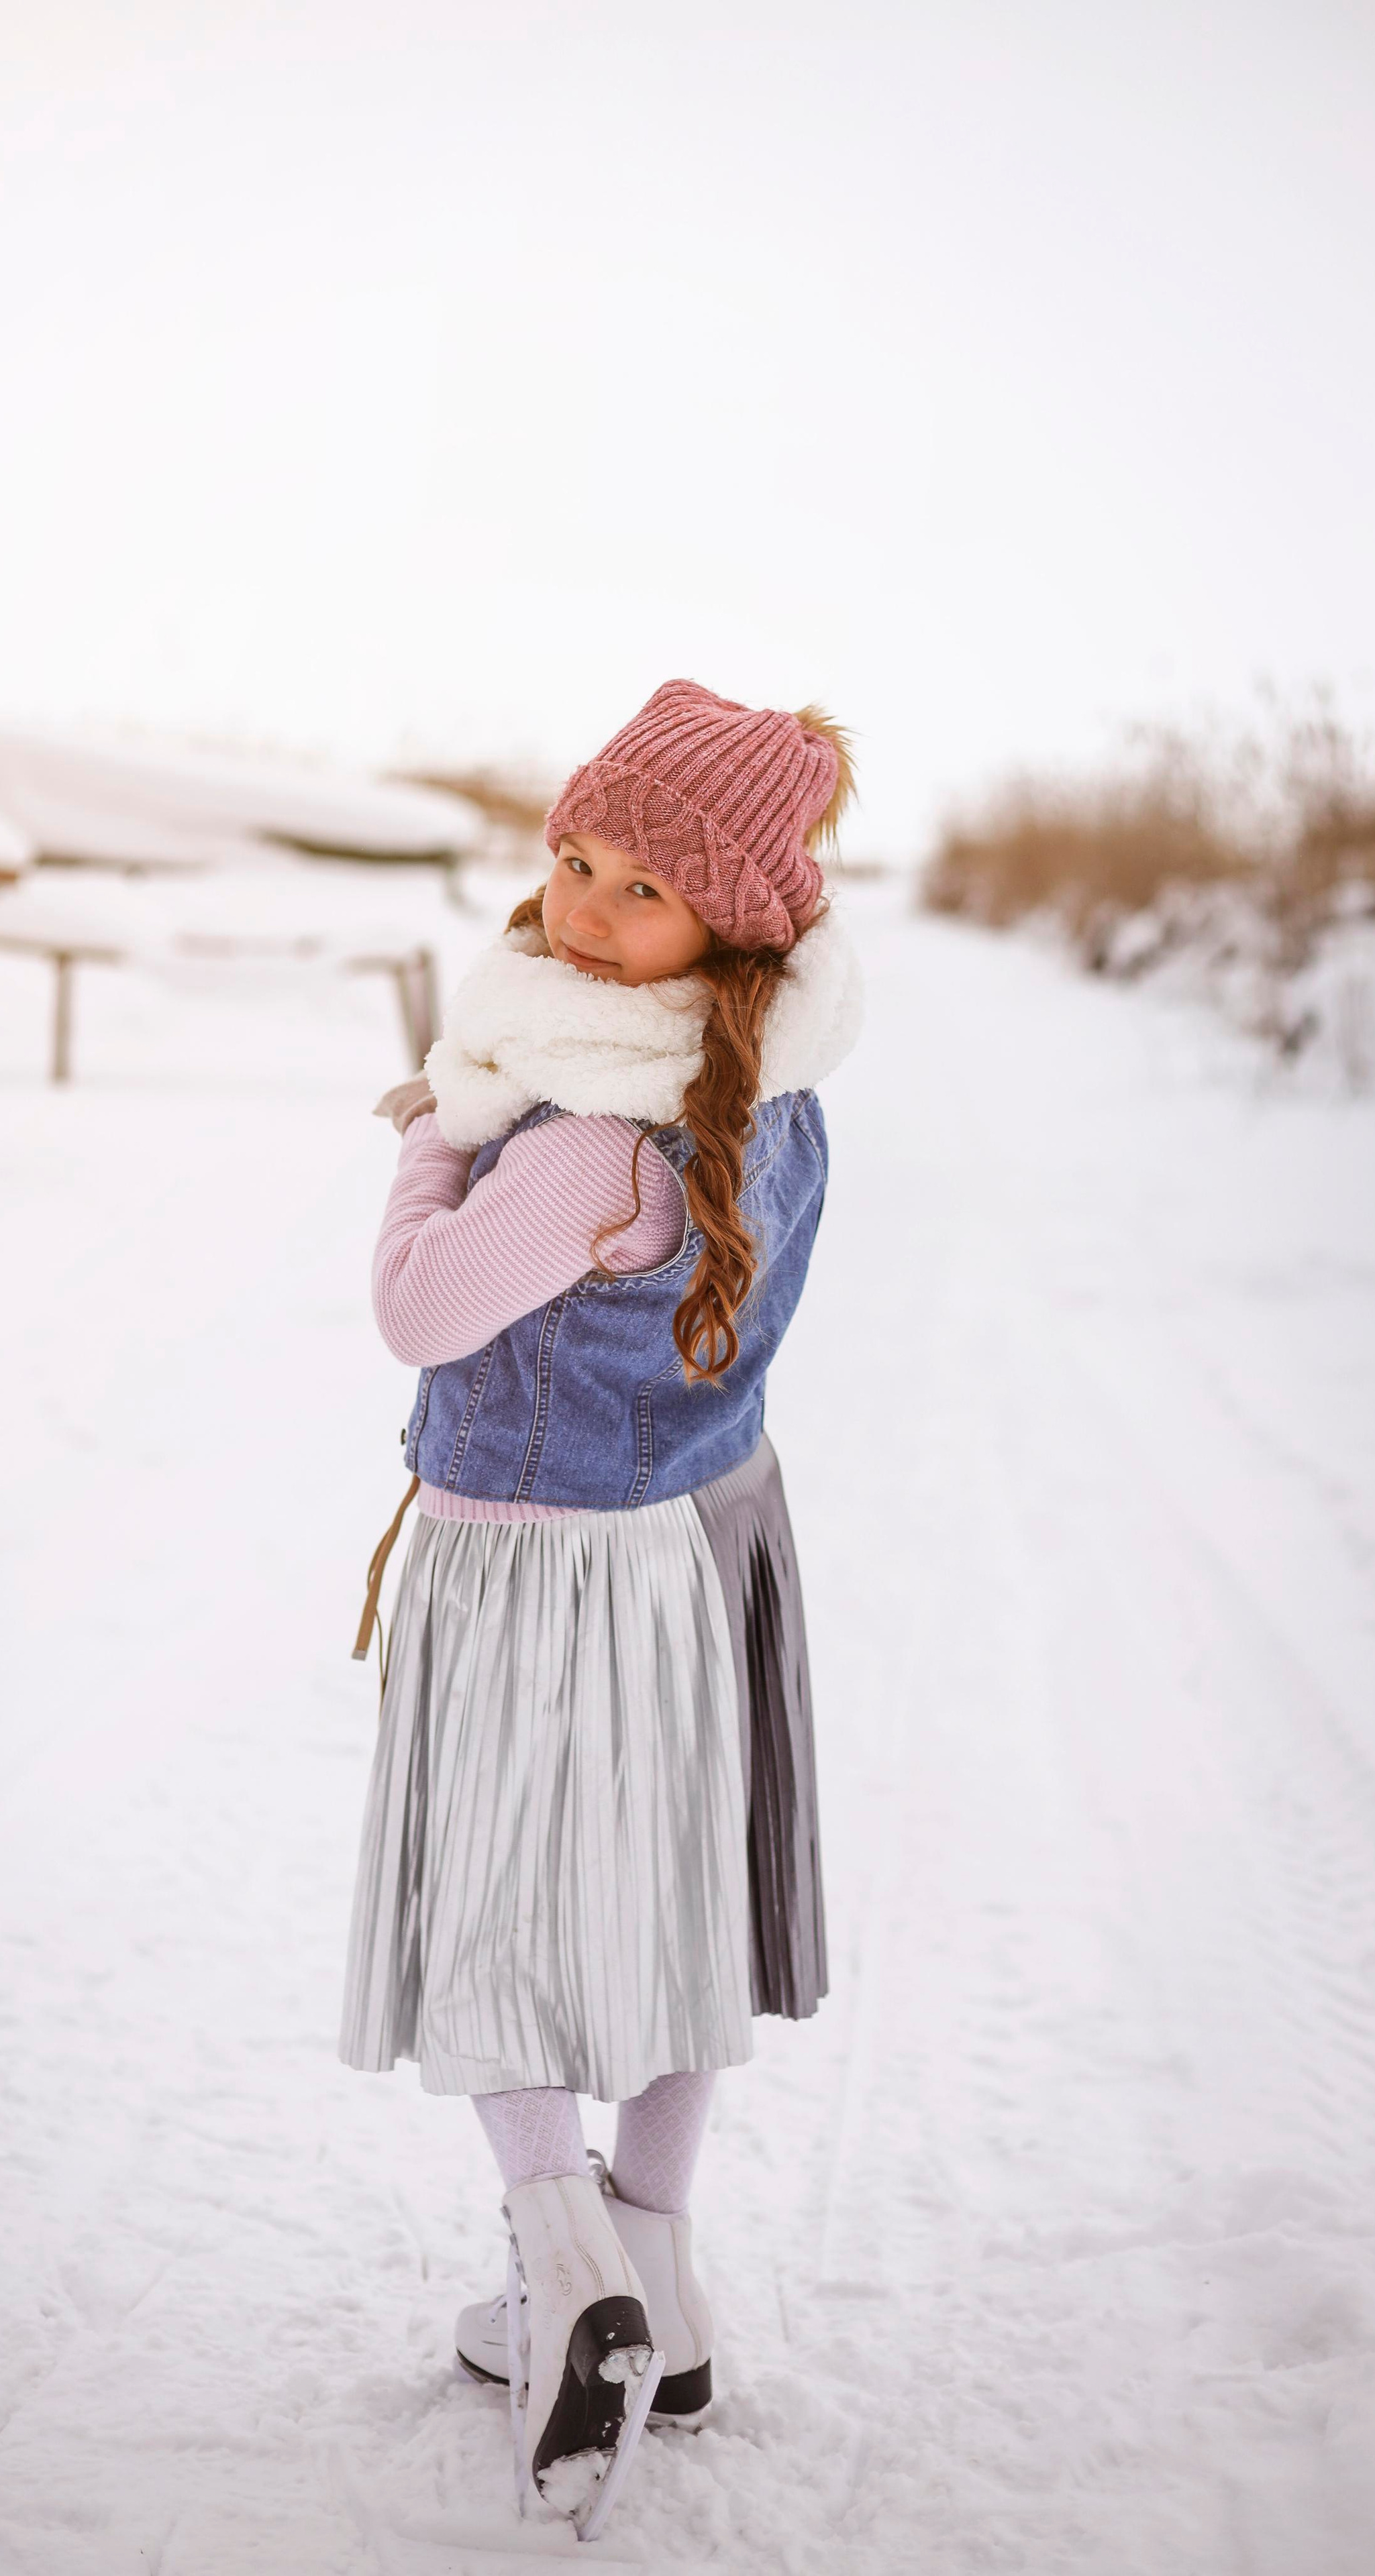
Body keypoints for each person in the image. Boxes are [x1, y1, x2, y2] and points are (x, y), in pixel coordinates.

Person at [340, 678, 862, 2537]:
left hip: (546, 1564)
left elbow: (419, 1310)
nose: (582, 909)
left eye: (645, 889)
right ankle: (664, 2286)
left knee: (505, 1912)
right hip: (700, 1539)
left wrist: (436, 1125)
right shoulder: (776, 1093)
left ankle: (570, 2281)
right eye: (574, 859)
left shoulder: (583, 1132)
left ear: (733, 924)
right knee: (673, 1907)